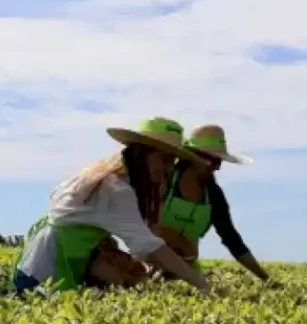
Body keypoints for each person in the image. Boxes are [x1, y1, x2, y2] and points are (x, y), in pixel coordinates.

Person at [12, 117, 214, 294]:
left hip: (35, 265)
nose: (169, 168)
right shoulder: (116, 190)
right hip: (45, 273)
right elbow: (150, 246)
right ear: (143, 153)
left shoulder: (103, 175)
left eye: (173, 160)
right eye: (165, 158)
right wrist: (202, 284)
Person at [152, 124, 272, 282]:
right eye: (212, 160)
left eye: (218, 162)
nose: (216, 168)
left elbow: (232, 240)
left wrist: (265, 278)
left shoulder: (214, 196)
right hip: (149, 257)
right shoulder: (164, 181)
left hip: (186, 268)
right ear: (192, 155)